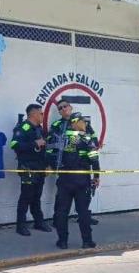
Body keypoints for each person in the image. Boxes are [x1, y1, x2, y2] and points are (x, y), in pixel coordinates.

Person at [47, 112, 101, 249]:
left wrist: (54, 167)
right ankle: (87, 241)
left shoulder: (60, 138)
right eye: (83, 121)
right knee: (83, 212)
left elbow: (49, 155)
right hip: (82, 179)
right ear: (75, 123)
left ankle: (62, 241)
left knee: (62, 212)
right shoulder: (86, 138)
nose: (85, 124)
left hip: (64, 179)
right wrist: (96, 177)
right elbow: (94, 159)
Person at [10, 104, 51, 236]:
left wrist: (47, 165)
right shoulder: (23, 127)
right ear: (33, 114)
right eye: (41, 113)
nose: (43, 116)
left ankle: (38, 222)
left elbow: (45, 149)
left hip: (40, 168)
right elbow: (14, 144)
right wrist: (34, 144)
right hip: (27, 168)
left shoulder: (39, 128)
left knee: (37, 197)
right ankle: (20, 226)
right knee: (26, 197)